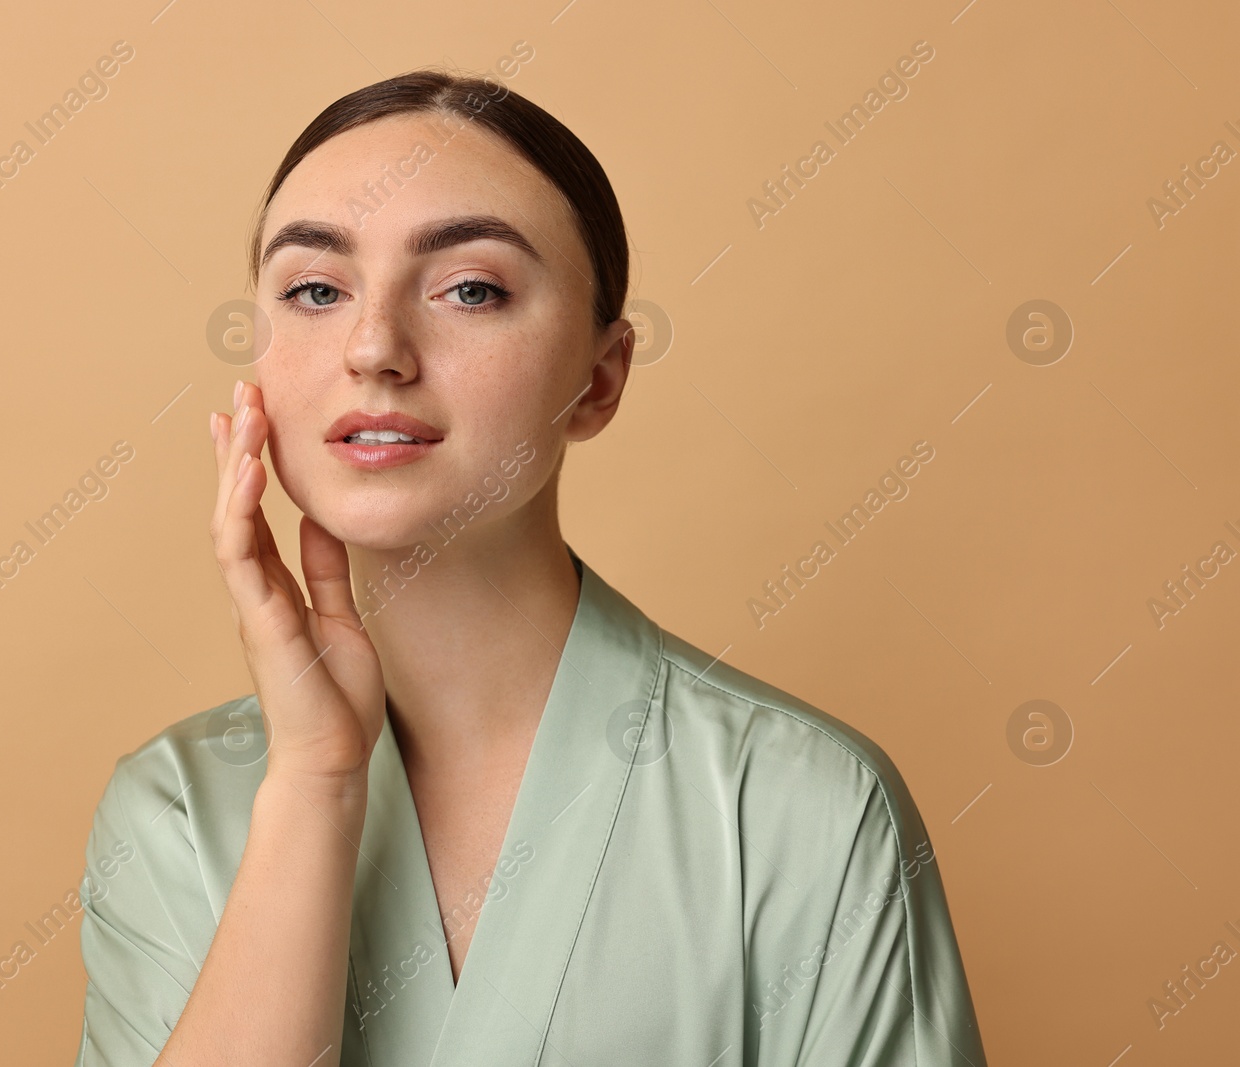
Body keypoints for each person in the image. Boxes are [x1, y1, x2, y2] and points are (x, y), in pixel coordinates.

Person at [72, 68, 987, 1067]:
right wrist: (316, 782)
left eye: (471, 288)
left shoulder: (802, 805)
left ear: (598, 380)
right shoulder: (174, 809)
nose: (374, 346)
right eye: (315, 289)